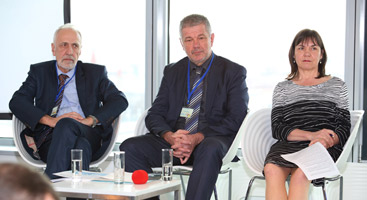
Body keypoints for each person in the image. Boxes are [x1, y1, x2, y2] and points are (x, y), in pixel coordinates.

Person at [120, 14, 249, 200]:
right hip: (175, 144)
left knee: (210, 147)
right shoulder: (172, 71)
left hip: (210, 140)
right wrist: (170, 136)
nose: (195, 45)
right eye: (189, 39)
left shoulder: (232, 72)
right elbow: (155, 114)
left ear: (211, 39)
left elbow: (236, 117)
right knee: (129, 147)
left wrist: (197, 138)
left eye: (201, 38)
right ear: (182, 43)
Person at [9, 23, 128, 179]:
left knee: (69, 126)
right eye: (64, 45)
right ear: (53, 49)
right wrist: (50, 121)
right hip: (50, 139)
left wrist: (91, 120)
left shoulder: (95, 73)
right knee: (81, 147)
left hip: (88, 132)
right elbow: (16, 102)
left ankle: (50, 186)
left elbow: (120, 100)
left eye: (75, 46)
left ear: (80, 50)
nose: (70, 51)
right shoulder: (40, 72)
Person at [263, 29, 351, 200]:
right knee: (271, 169)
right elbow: (278, 128)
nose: (307, 53)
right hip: (289, 145)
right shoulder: (282, 88)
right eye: (301, 48)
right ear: (293, 54)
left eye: (313, 48)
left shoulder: (337, 85)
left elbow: (344, 126)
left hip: (321, 146)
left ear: (321, 55)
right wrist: (312, 134)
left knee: (301, 175)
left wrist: (326, 139)